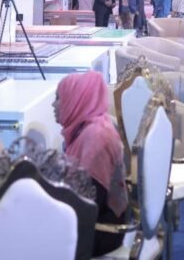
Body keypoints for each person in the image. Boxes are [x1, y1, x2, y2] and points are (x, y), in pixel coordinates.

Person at [53, 71, 129, 256]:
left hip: (101, 232)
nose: (53, 105)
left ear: (76, 99)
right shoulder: (90, 128)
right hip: (98, 223)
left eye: (58, 98)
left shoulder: (95, 138)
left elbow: (87, 203)